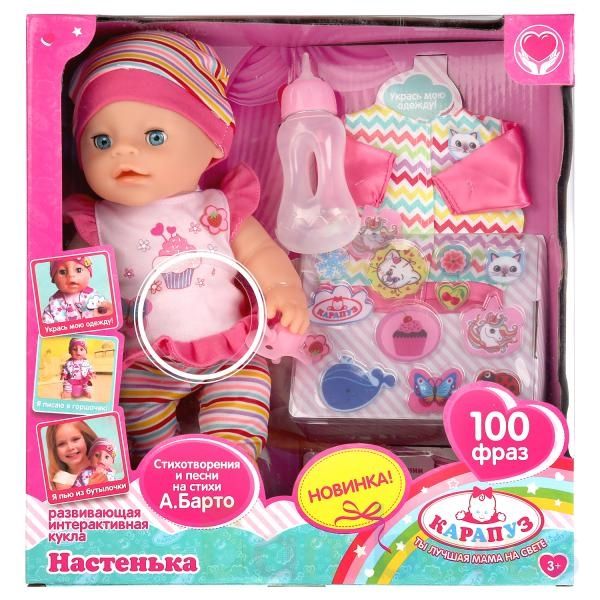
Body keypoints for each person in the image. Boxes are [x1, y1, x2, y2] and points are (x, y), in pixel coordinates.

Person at [64, 31, 309, 462]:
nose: (123, 152)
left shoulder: (218, 207)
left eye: (154, 137)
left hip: (231, 349)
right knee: (140, 425)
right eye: (102, 142)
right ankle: (160, 468)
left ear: (213, 142)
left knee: (244, 409)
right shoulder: (95, 224)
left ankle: (234, 464)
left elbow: (260, 254)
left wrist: (284, 290)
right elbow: (68, 294)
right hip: (144, 361)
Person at [42, 256, 112, 323]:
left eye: (79, 270)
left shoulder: (94, 296)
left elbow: (108, 313)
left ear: (89, 274)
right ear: (54, 279)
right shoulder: (54, 303)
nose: (71, 275)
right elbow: (46, 323)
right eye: (62, 272)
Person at [45, 421, 107, 489]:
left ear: (86, 438)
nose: (70, 447)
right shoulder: (62, 480)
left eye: (75, 439)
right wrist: (91, 487)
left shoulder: (101, 461)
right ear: (54, 451)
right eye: (61, 444)